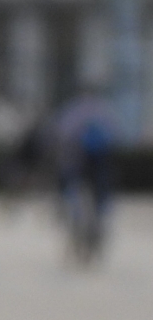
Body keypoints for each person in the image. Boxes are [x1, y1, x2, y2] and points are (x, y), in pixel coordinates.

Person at [52, 90, 118, 266]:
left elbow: (61, 133)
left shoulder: (73, 111)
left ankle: (74, 222)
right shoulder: (104, 110)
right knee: (101, 197)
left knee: (72, 193)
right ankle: (99, 222)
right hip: (100, 163)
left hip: (77, 163)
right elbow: (115, 134)